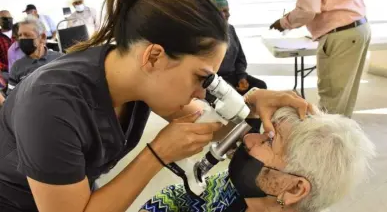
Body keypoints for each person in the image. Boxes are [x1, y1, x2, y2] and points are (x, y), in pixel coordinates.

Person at [0, 0, 309, 212]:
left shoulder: (134, 75)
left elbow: (203, 122)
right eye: (201, 78)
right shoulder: (52, 105)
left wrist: (250, 107)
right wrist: (155, 155)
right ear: (155, 56)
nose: (203, 93)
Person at [140, 106, 376, 212]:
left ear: (294, 188)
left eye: (269, 141)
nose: (249, 138)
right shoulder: (235, 190)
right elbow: (181, 196)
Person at [269, 0, 370, 118]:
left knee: (331, 105)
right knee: (344, 100)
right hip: (358, 29)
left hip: (340, 34)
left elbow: (308, 10)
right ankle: (341, 139)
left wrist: (284, 22)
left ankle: (329, 141)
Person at [210, 0, 267, 95]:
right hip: (216, 82)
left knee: (260, 86)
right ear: (212, 13)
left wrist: (242, 77)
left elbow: (240, 58)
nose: (228, 14)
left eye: (228, 10)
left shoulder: (230, 29)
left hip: (234, 75)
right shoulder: (205, 36)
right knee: (232, 97)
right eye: (223, 11)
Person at [7, 16, 62, 95]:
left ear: (42, 37)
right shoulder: (17, 67)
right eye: (20, 35)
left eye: (27, 35)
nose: (22, 39)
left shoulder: (60, 59)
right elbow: (11, 98)